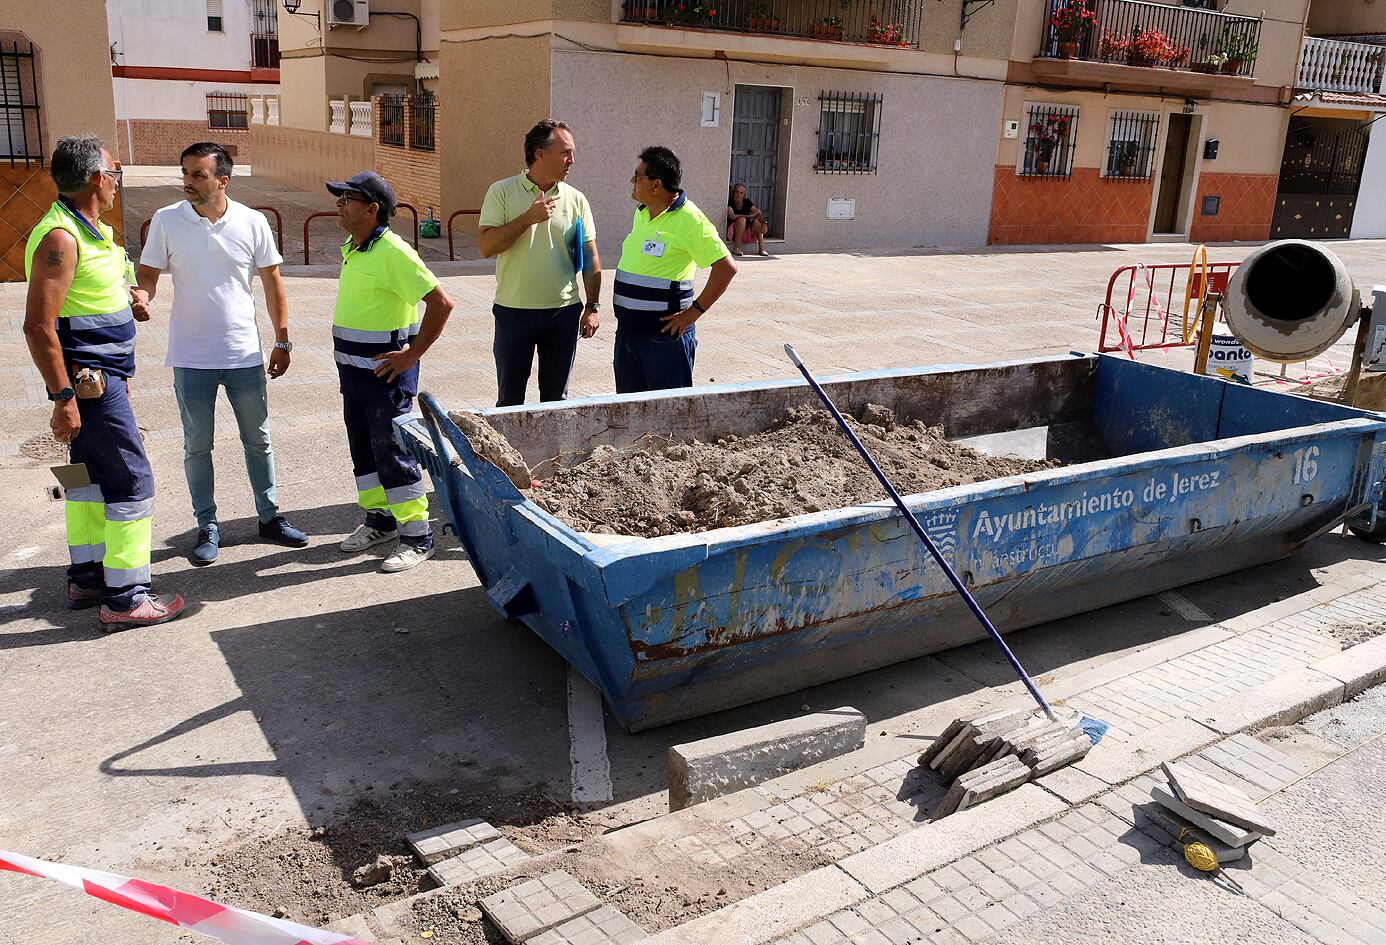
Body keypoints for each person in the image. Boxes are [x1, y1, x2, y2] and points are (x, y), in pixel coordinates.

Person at [22, 135, 188, 630]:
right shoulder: (61, 238)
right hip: (89, 387)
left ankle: (88, 576)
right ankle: (126, 596)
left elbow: (91, 295)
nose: (117, 184)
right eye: (116, 174)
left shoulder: (92, 232)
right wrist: (63, 398)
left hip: (105, 378)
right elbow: (38, 326)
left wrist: (128, 298)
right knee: (131, 480)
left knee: (90, 481)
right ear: (98, 178)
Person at [137, 142, 308, 565]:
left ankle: (269, 518)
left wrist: (282, 339)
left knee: (259, 440)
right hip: (191, 356)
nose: (188, 182)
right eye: (186, 173)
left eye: (198, 175)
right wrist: (142, 296)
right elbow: (148, 275)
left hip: (243, 354)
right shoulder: (166, 220)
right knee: (198, 446)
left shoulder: (252, 222)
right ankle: (207, 524)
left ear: (222, 180)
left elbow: (273, 284)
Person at [327, 171, 454, 573]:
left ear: (371, 208)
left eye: (347, 198)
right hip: (355, 376)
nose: (340, 204)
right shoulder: (354, 246)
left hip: (386, 379)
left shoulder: (393, 251)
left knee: (393, 453)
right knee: (364, 453)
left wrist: (410, 355)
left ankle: (417, 535)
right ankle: (379, 522)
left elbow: (442, 304)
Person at [478, 119, 601, 406]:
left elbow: (591, 255)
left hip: (563, 314)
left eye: (572, 152)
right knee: (509, 401)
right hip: (514, 313)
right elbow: (486, 246)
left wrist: (593, 306)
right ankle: (507, 452)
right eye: (565, 152)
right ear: (540, 154)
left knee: (556, 401)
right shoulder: (502, 192)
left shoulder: (576, 199)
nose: (572, 160)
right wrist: (526, 219)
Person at [612, 146, 737, 394]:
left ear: (656, 185)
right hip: (628, 336)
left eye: (638, 176)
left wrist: (693, 313)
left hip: (664, 342)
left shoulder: (689, 218)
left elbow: (726, 268)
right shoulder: (642, 214)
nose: (632, 181)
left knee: (666, 419)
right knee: (630, 417)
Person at [726, 183, 769, 257]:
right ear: (733, 193)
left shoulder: (747, 202)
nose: (739, 195)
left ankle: (762, 249)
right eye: (737, 192)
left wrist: (763, 223)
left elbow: (757, 212)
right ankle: (736, 247)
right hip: (734, 233)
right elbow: (732, 216)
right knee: (742, 220)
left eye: (741, 193)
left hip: (746, 232)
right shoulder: (730, 201)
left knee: (756, 221)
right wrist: (750, 216)